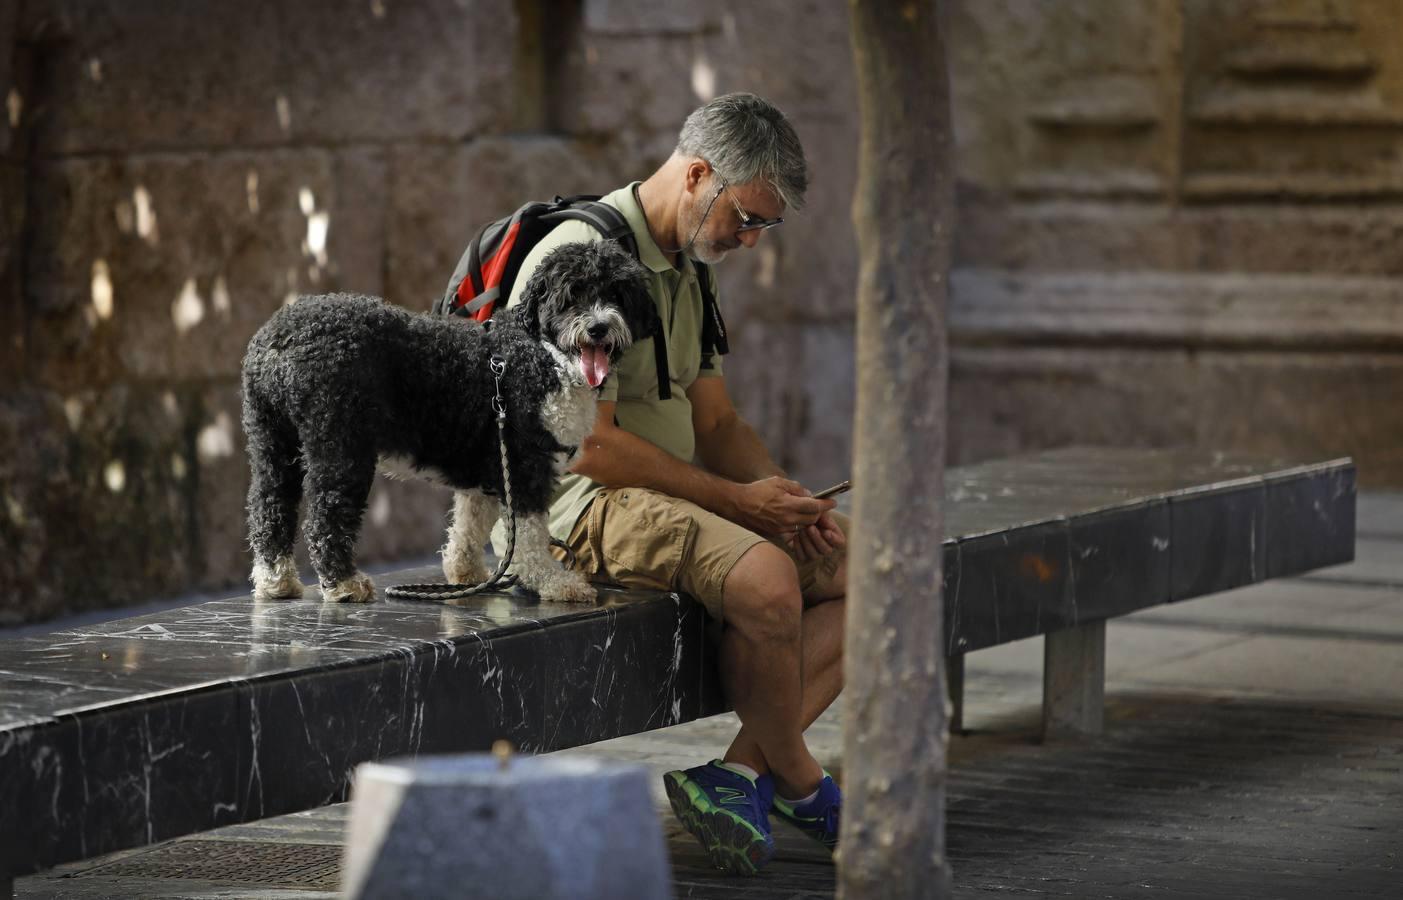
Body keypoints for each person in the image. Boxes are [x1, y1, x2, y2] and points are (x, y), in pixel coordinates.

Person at [504, 92, 846, 875]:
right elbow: (585, 443)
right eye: (748, 218)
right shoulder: (580, 257)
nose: (752, 240)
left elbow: (718, 424)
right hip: (569, 511)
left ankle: (738, 776)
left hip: (669, 496)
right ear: (697, 175)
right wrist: (736, 503)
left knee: (869, 566)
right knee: (765, 582)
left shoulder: (692, 265)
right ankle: (799, 779)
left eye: (767, 226)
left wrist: (780, 494)